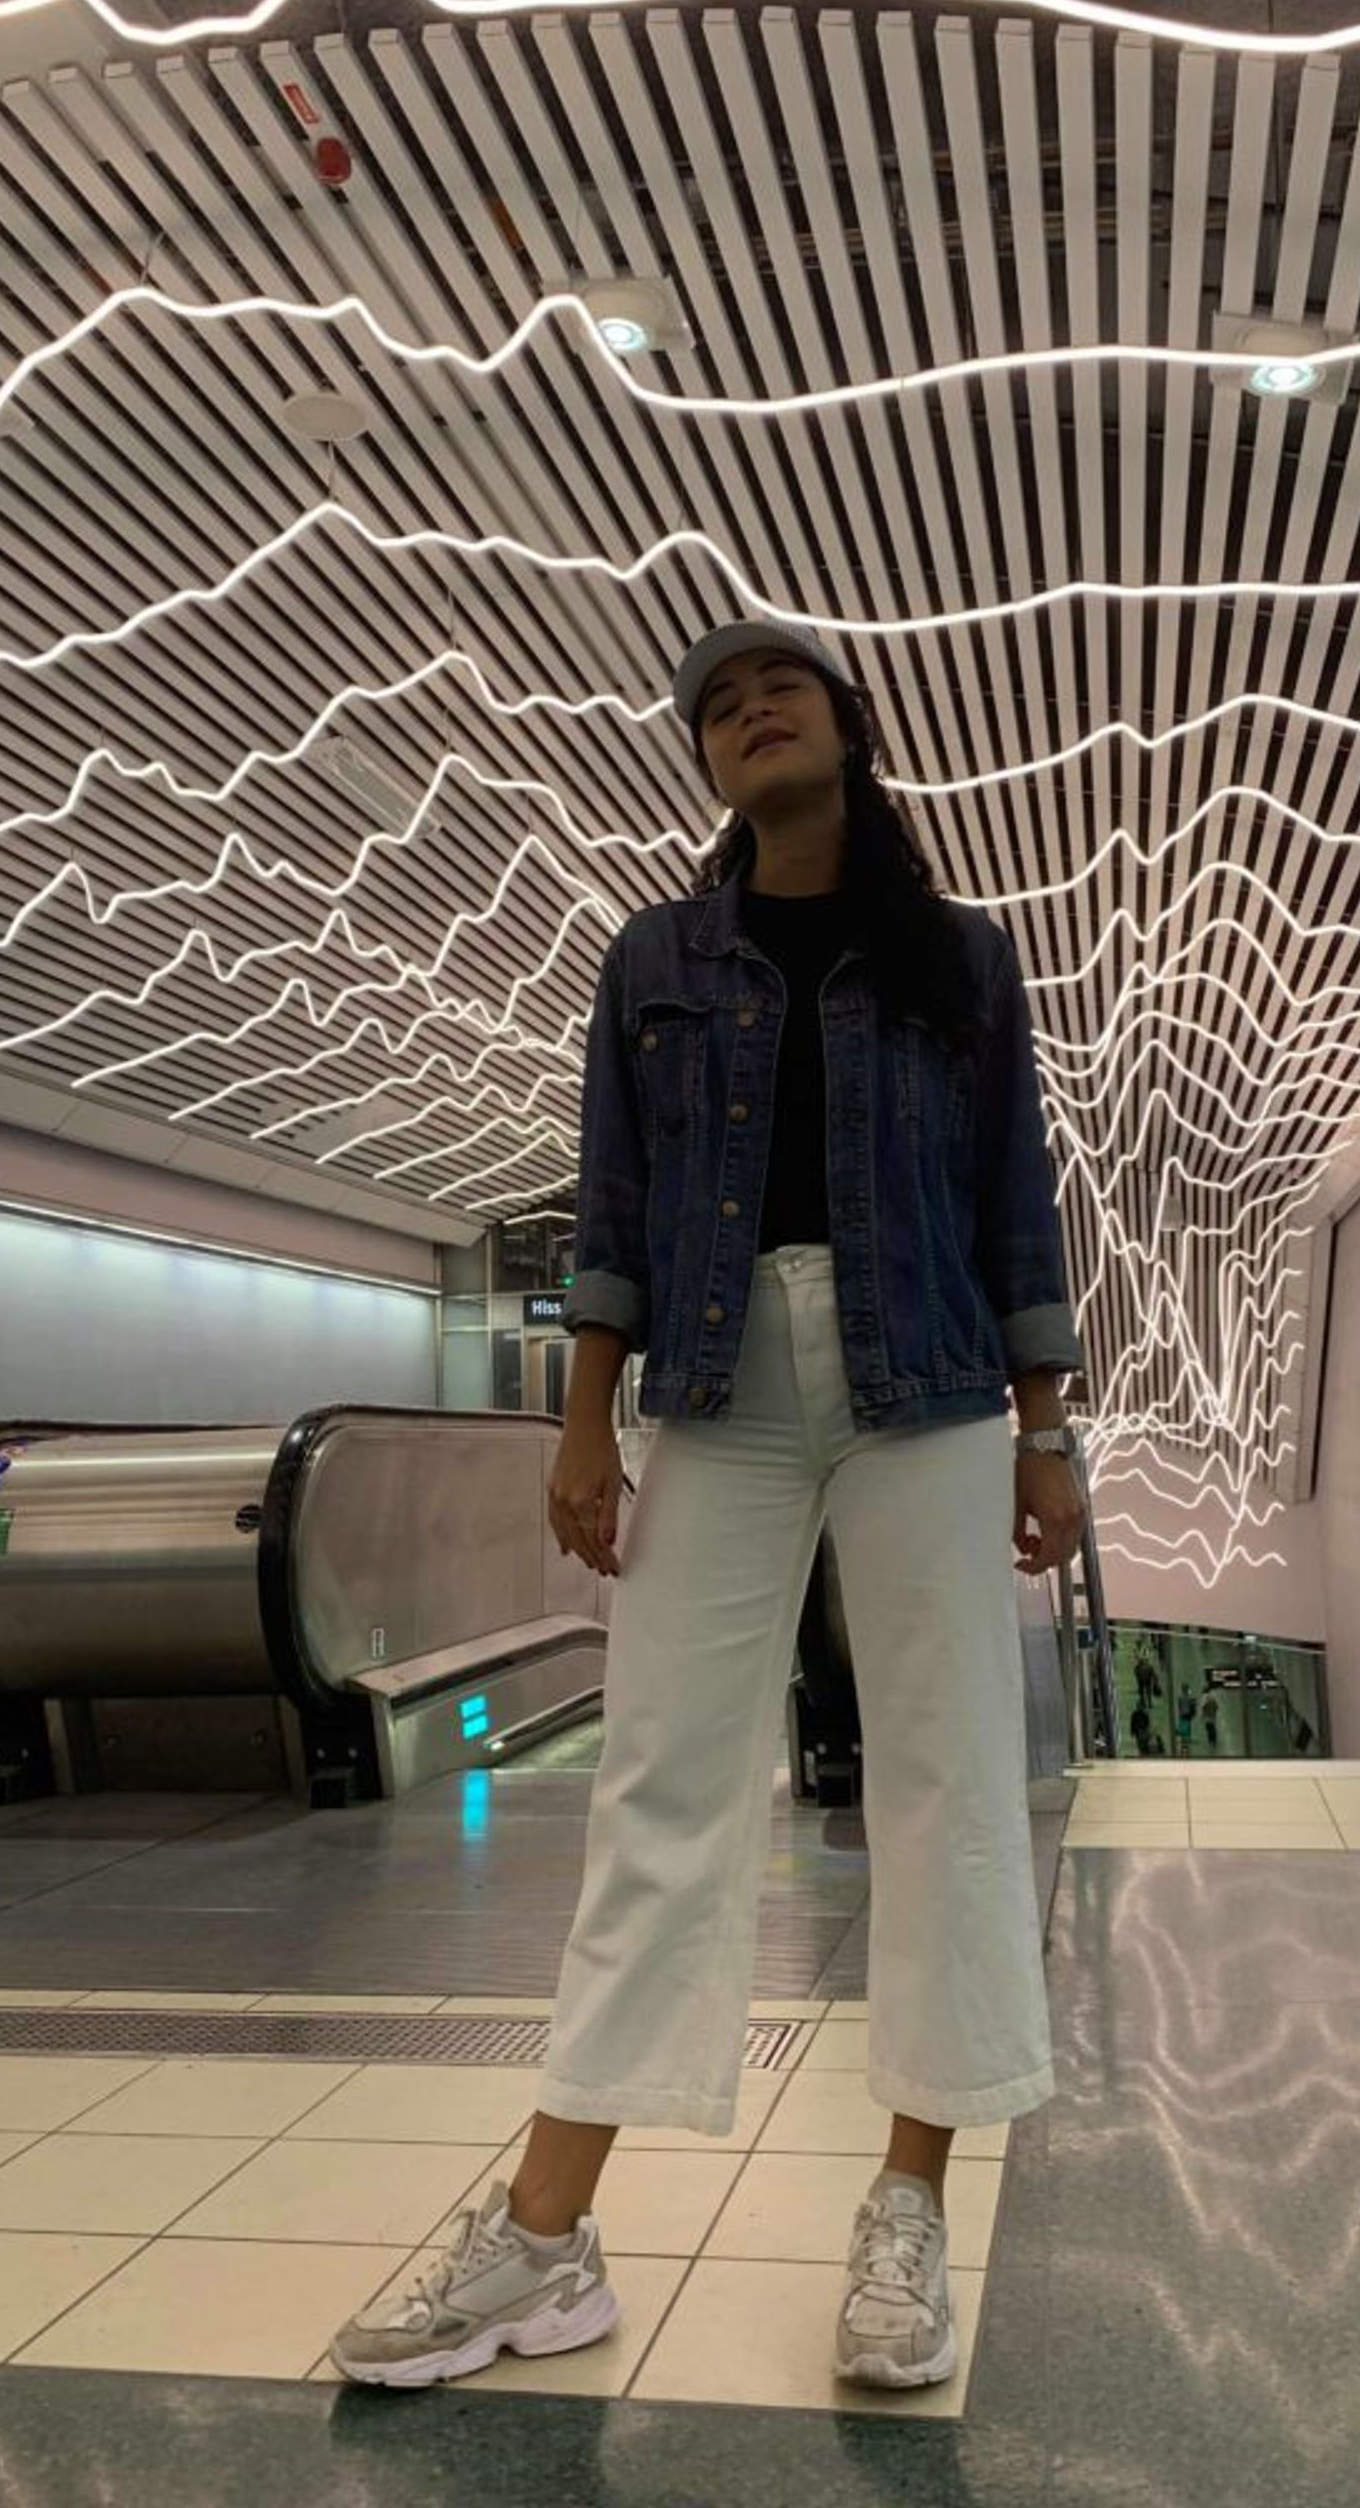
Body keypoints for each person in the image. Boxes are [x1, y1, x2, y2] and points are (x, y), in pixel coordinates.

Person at [333, 621, 1085, 2393]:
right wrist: (582, 1426)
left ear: (849, 731)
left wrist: (1051, 1431)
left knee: (950, 1788)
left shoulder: (960, 960)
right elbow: (613, 1196)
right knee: (659, 1789)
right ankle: (542, 2240)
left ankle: (907, 2211)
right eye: (719, 709)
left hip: (936, 1394)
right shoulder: (657, 957)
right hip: (720, 1388)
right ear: (707, 766)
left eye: (781, 692)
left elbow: (1016, 1200)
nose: (748, 714)